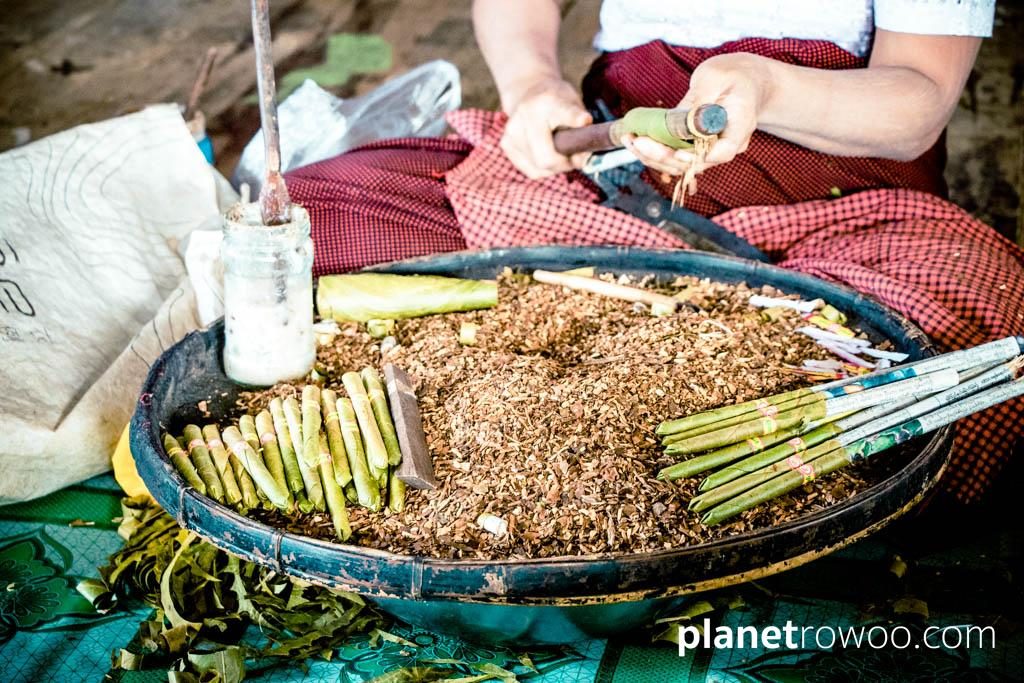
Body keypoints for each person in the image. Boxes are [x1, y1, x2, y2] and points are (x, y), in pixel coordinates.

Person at [285, 0, 1022, 503]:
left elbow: (918, 100)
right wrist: (534, 86)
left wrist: (764, 86)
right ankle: (646, 354)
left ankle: (640, 369)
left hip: (832, 197)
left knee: (968, 345)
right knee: (307, 218)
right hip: (610, 174)